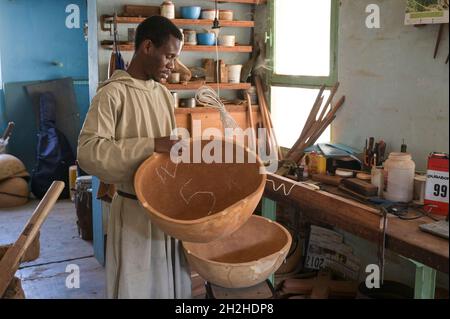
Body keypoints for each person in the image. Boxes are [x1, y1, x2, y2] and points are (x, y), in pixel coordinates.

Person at [77, 16, 191, 299]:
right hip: (134, 213)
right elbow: (88, 153)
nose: (173, 65)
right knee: (138, 288)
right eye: (169, 56)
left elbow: (168, 152)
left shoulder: (163, 95)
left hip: (166, 212)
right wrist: (153, 145)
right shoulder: (112, 94)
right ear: (147, 47)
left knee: (169, 288)